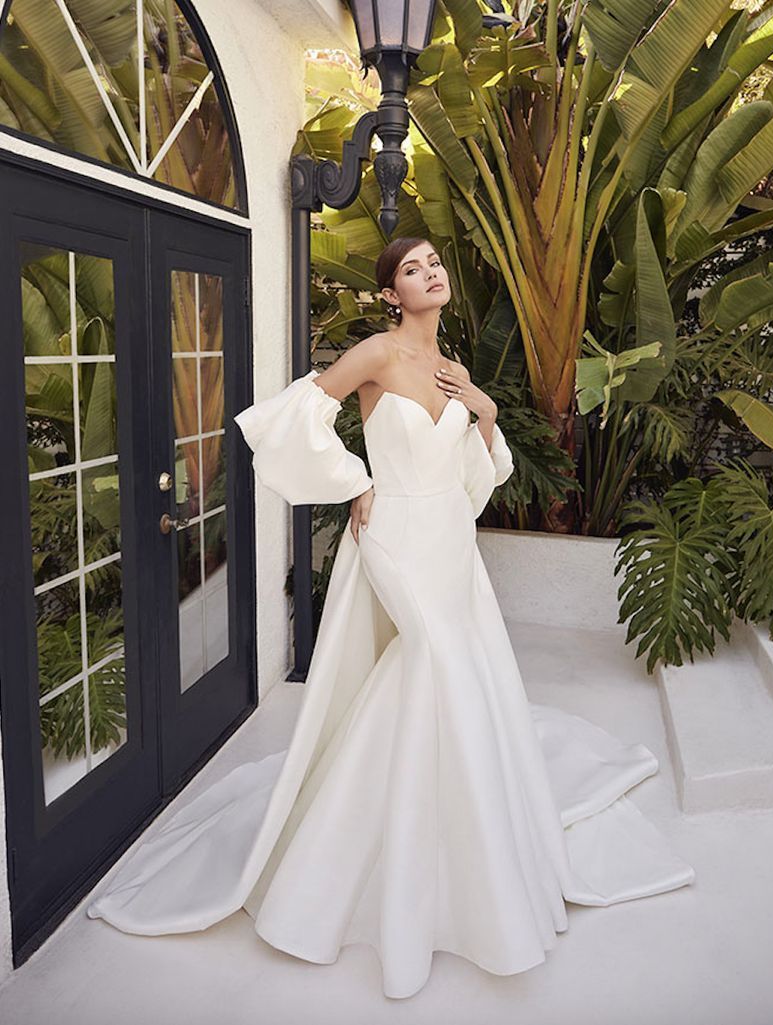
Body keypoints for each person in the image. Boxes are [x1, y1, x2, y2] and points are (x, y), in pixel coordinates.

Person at [86, 237, 695, 1000]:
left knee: (457, 682)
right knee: (431, 665)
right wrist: (350, 482)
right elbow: (295, 414)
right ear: (391, 294)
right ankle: (370, 869)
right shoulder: (375, 351)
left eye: (435, 262)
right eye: (412, 268)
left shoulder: (454, 370)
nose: (431, 272)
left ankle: (468, 851)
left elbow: (475, 480)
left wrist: (486, 410)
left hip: (451, 545)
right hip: (397, 540)